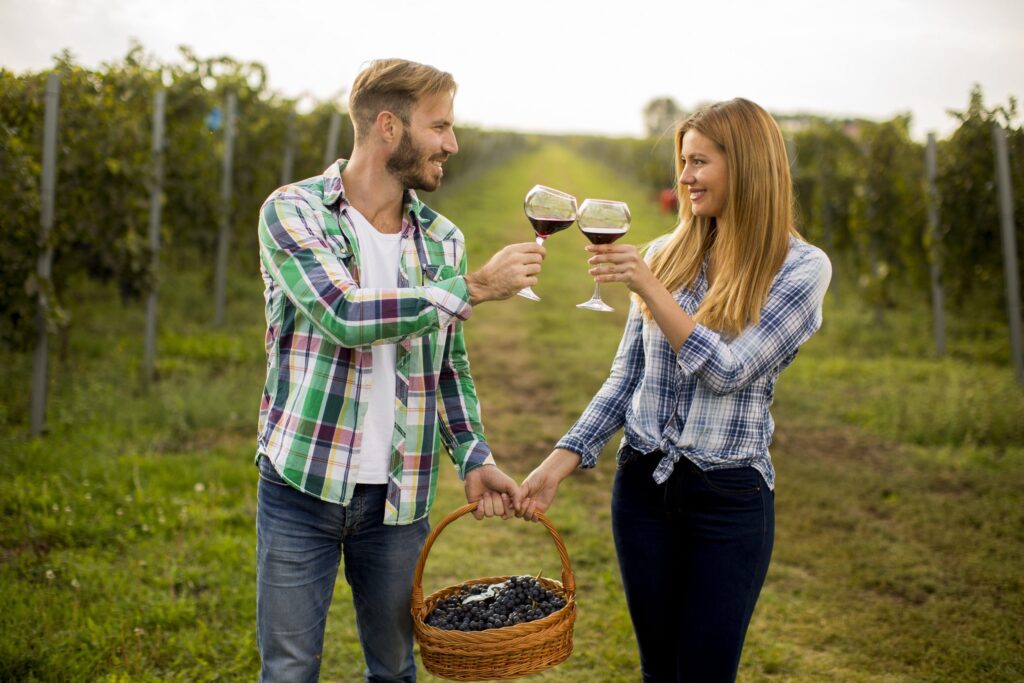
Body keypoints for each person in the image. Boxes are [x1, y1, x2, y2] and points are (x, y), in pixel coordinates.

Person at [517, 98, 832, 682]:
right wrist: (556, 465)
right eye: (682, 162)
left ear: (748, 166)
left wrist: (646, 285)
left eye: (700, 162)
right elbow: (625, 379)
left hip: (728, 500)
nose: (684, 177)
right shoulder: (667, 252)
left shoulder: (802, 268)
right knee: (658, 672)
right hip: (641, 492)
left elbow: (730, 370)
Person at [254, 58, 539, 682]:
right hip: (302, 486)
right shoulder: (295, 212)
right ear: (389, 126)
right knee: (290, 670)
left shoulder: (443, 240)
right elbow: (344, 315)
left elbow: (449, 365)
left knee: (395, 670)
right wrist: (476, 286)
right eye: (440, 126)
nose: (452, 144)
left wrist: (471, 453)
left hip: (398, 498)